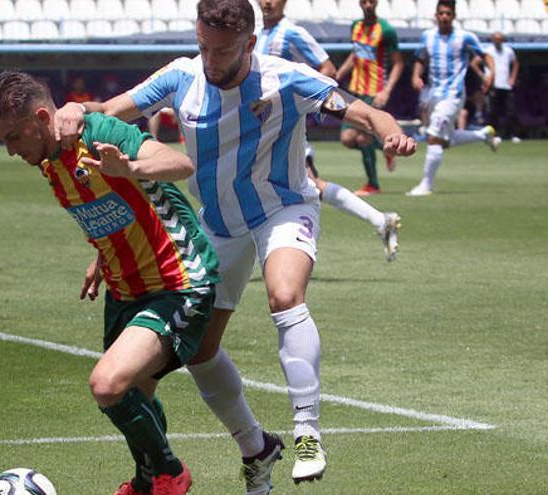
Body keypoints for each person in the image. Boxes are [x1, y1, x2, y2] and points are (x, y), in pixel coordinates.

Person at [53, 0, 416, 491]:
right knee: (200, 348)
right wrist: (77, 108)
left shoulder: (285, 77)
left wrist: (391, 133)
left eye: (222, 51)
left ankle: (307, 432)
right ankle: (257, 447)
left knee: (284, 296)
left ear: (249, 43)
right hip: (218, 226)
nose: (210, 59)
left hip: (283, 207)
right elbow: (109, 111)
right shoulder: (181, 77)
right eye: (203, 46)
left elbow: (365, 111)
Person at [0, 70, 221, 495]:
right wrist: (101, 254)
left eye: (14, 137)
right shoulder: (49, 157)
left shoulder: (96, 134)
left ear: (41, 117)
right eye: (4, 141)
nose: (11, 150)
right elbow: (112, 204)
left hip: (177, 278)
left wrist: (128, 166)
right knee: (137, 396)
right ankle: (148, 481)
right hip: (125, 286)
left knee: (108, 384)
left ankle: (171, 473)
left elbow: (179, 164)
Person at [257, 0, 402, 261]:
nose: (268, 1)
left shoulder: (292, 32)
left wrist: (299, 100)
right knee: (306, 184)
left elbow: (327, 69)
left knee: (304, 184)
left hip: (283, 127)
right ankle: (381, 220)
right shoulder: (255, 32)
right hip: (260, 127)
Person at [407, 0, 499, 196]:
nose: (444, 17)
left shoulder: (465, 37)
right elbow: (421, 58)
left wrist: (491, 72)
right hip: (434, 94)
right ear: (436, 15)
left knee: (433, 137)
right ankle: (484, 134)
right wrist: (416, 75)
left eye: (448, 14)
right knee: (444, 141)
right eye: (441, 13)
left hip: (453, 94)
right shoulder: (428, 36)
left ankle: (426, 185)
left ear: (454, 16)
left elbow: (485, 55)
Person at [335, 0, 404, 196]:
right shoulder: (355, 26)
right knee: (347, 139)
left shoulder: (386, 30)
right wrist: (338, 74)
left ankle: (373, 185)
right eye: (364, 1)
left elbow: (398, 63)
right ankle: (385, 148)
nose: (368, 5)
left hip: (375, 91)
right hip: (355, 89)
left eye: (371, 1)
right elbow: (355, 55)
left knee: (364, 137)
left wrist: (386, 91)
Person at [484, 32, 520, 143]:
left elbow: (516, 64)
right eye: (496, 39)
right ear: (492, 40)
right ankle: (494, 135)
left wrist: (513, 78)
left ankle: (511, 134)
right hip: (493, 85)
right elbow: (476, 63)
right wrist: (485, 79)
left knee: (510, 111)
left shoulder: (508, 51)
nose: (498, 41)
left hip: (506, 86)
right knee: (494, 112)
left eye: (500, 39)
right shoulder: (488, 51)